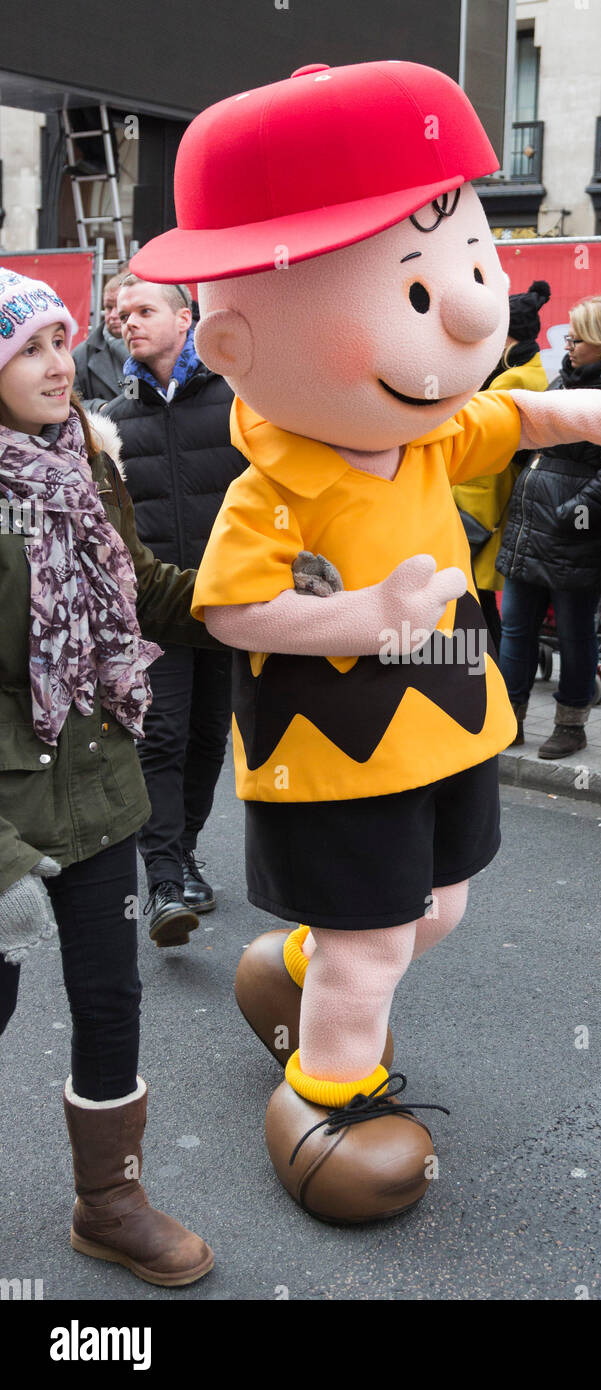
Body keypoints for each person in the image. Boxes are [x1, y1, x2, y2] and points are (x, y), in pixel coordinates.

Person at [0, 266, 214, 1285]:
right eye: (27, 348)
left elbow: (140, 589)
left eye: (58, 342)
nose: (58, 365)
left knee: (111, 996)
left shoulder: (84, 460)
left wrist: (254, 596)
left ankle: (110, 1202)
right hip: (4, 796)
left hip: (98, 777)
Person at [104, 274, 247, 945]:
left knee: (206, 736)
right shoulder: (111, 421)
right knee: (159, 737)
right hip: (151, 614)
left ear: (185, 317)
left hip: (226, 604)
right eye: (121, 313)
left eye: (144, 310)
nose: (128, 321)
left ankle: (183, 850)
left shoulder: (240, 403)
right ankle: (162, 880)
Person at [496, 290, 601, 757]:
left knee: (574, 633)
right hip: (531, 526)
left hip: (573, 533)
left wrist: (576, 515)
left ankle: (571, 725)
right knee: (516, 628)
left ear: (600, 342)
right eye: (567, 336)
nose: (567, 345)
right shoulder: (560, 384)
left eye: (576, 337)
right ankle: (510, 720)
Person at [452, 279, 550, 651]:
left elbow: (477, 440)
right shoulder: (533, 372)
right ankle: (488, 663)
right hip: (497, 497)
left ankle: (482, 665)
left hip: (481, 497)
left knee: (472, 596)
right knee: (480, 595)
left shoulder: (508, 379)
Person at [71, 266, 129, 411]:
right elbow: (70, 404)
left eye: (119, 307)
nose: (113, 315)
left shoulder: (153, 345)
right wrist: (100, 407)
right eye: (109, 307)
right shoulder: (81, 354)